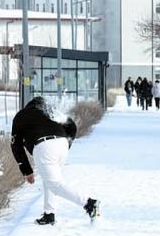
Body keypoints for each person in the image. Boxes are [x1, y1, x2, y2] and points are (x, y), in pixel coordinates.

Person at [10, 96, 100, 226]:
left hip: (44, 146)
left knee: (54, 184)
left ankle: (89, 203)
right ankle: (49, 214)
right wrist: (67, 143)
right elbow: (72, 127)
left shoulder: (22, 115)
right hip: (62, 144)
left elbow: (16, 145)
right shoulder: (50, 110)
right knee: (51, 180)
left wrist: (27, 171)